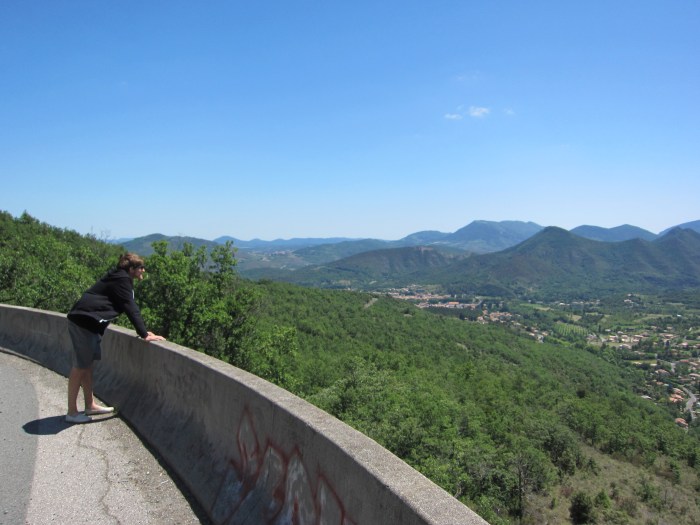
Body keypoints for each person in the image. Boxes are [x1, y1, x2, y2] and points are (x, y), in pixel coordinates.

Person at [65, 252, 165, 423]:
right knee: (80, 367)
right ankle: (72, 412)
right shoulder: (122, 280)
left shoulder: (119, 277)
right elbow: (130, 307)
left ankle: (90, 405)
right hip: (83, 323)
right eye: (140, 267)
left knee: (87, 366)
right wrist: (144, 333)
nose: (143, 270)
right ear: (131, 269)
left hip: (89, 324)